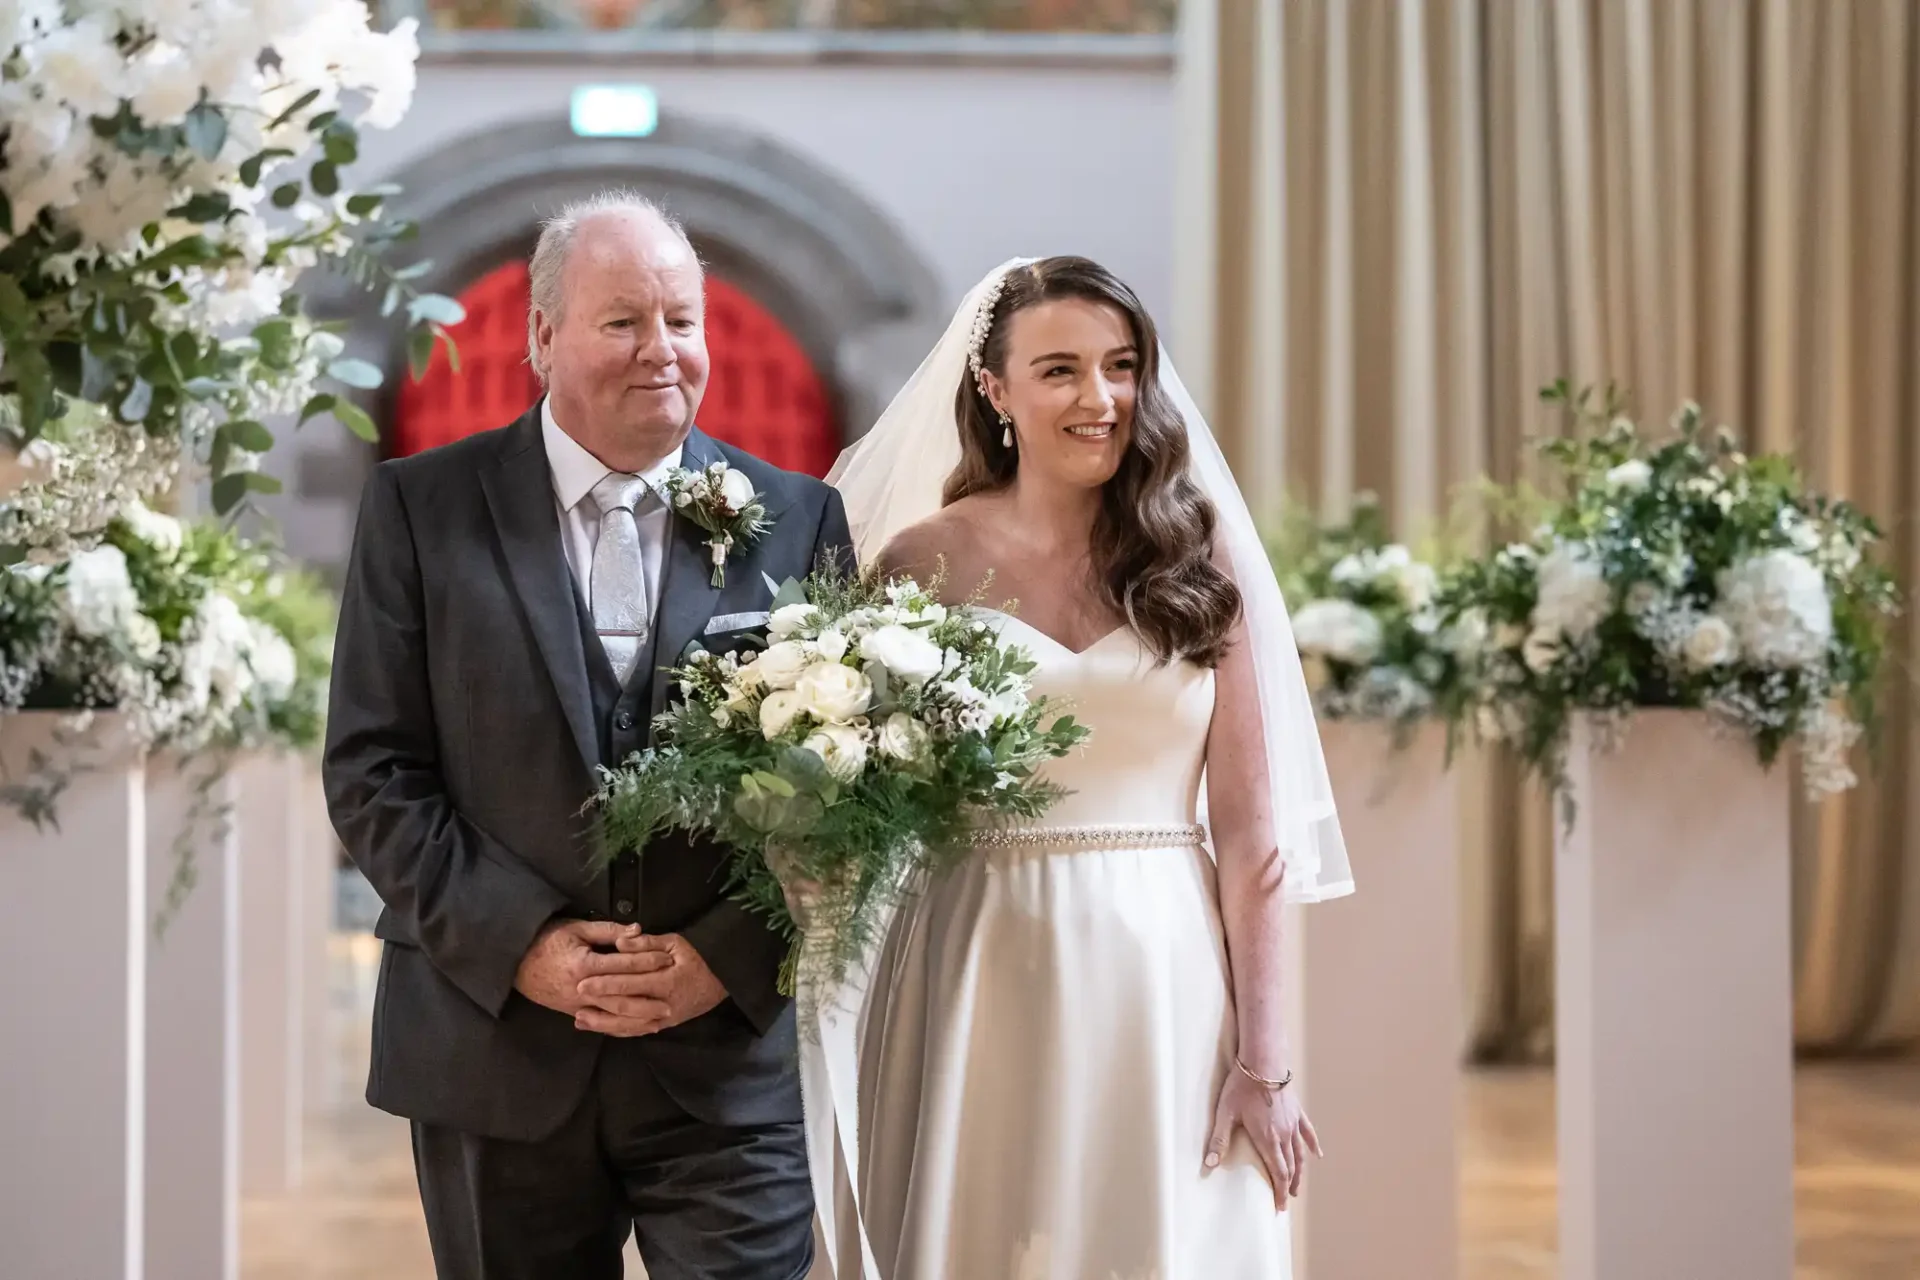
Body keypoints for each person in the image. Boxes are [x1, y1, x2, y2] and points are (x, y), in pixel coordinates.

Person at [322, 190, 849, 1280]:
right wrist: (526, 946)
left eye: (683, 320)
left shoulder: (798, 518)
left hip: (724, 1058)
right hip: (492, 1049)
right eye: (623, 322)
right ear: (542, 335)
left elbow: (837, 790)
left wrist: (723, 958)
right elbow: (374, 769)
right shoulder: (422, 508)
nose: (662, 350)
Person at [823, 256, 1354, 1279]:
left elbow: (1252, 836)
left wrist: (1267, 1060)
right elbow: (871, 800)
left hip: (1165, 969)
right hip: (970, 954)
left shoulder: (1198, 558)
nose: (1100, 397)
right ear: (995, 388)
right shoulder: (916, 562)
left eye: (1121, 366)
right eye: (1060, 369)